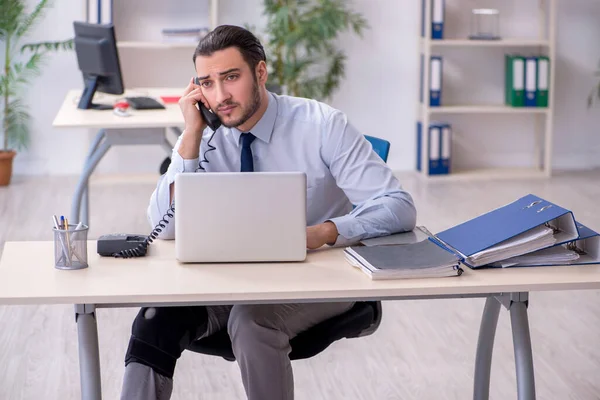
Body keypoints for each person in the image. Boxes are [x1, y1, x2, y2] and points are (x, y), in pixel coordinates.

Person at [121, 25, 416, 400]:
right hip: (231, 280)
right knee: (154, 320)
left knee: (251, 320)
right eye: (207, 83)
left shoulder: (322, 126)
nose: (220, 96)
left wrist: (323, 232)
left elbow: (398, 207)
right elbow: (162, 228)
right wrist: (191, 137)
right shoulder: (204, 135)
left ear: (260, 72)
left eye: (231, 78)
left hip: (316, 280)